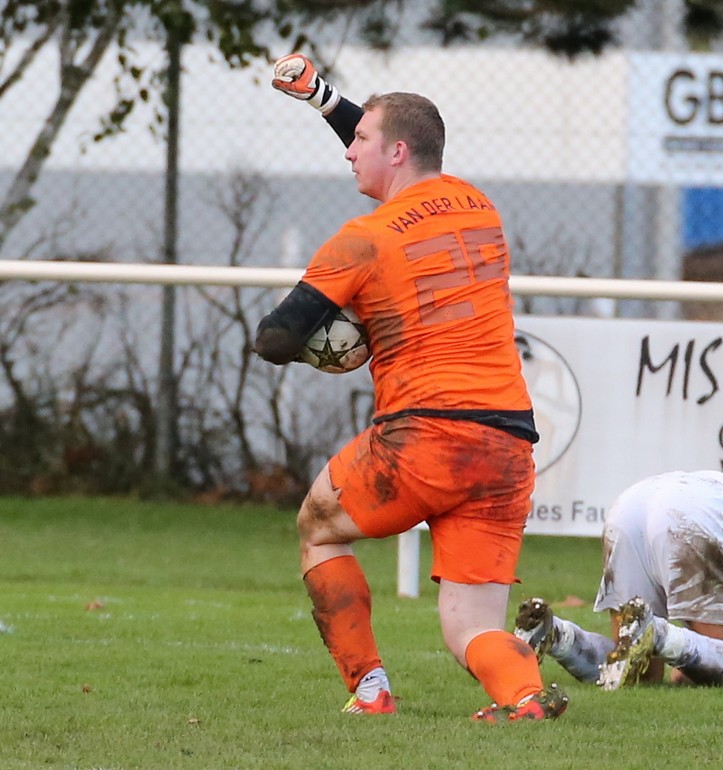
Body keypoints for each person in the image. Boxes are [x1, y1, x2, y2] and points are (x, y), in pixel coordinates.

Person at [254, 54, 566, 723]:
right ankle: (527, 697)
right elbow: (395, 163)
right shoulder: (479, 206)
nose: (349, 155)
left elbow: (275, 340)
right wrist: (323, 100)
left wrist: (335, 344)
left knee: (318, 526)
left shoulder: (360, 241)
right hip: (508, 445)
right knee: (467, 625)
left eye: (360, 142)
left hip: (426, 437)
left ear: (394, 150)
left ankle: (370, 691)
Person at [515, 470, 723, 692]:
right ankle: (657, 632)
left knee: (636, 674)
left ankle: (556, 635)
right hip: (703, 514)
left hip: (635, 503)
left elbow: (682, 676)